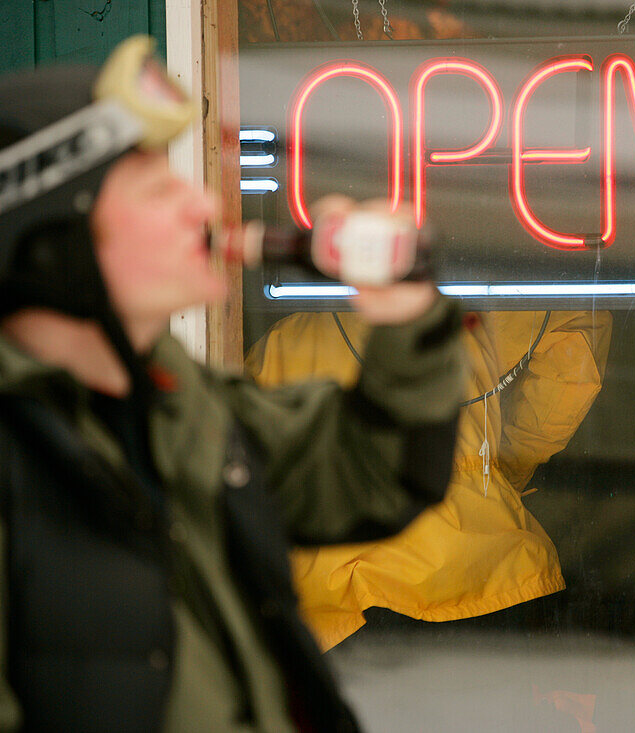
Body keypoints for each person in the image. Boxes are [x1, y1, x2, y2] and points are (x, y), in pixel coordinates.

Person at [0, 38, 463, 732]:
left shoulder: (183, 409)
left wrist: (406, 322)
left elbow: (368, 475)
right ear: (52, 246)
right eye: (159, 188)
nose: (204, 206)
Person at [246, 309, 610, 650]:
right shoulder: (459, 314)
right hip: (480, 574)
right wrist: (509, 466)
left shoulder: (284, 341)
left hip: (338, 610)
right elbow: (576, 324)